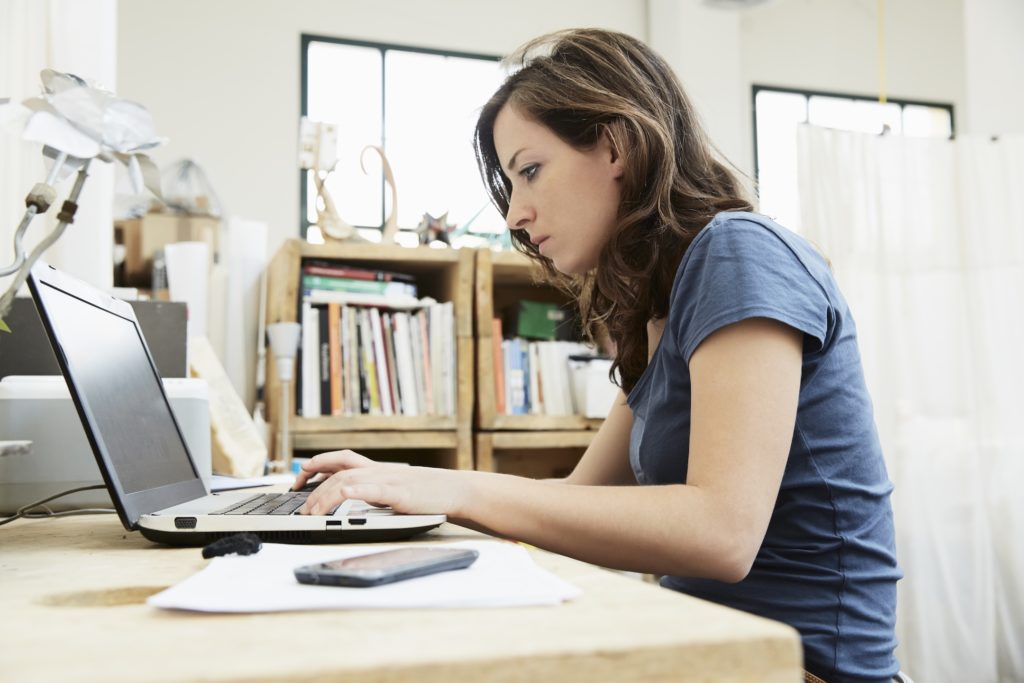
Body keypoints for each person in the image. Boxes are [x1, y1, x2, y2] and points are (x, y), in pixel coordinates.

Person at [295, 28, 902, 683]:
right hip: (711, 651)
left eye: (529, 169)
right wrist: (402, 488)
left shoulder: (740, 252)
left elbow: (722, 532)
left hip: (804, 669)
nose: (515, 214)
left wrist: (455, 485)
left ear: (615, 144)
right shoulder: (658, 312)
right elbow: (571, 506)